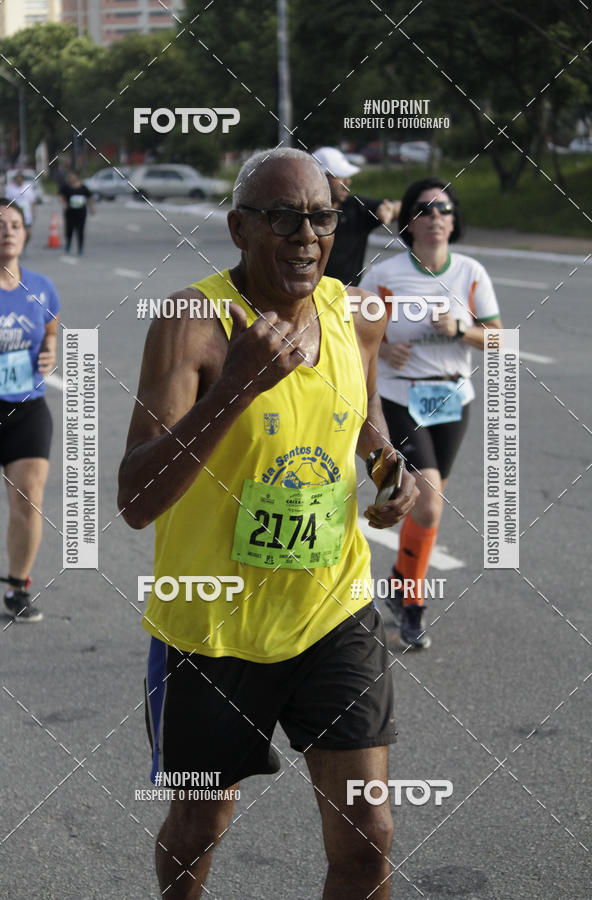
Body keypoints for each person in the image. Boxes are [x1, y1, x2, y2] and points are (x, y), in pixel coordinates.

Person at [118, 147, 419, 899]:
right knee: (197, 831)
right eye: (284, 218)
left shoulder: (354, 314)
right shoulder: (193, 322)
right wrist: (238, 387)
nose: (308, 237)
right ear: (238, 228)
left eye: (321, 218)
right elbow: (135, 498)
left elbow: (363, 414)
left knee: (370, 837)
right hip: (211, 630)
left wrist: (388, 473)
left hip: (332, 613)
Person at [360, 177, 502, 649]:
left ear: (454, 219)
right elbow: (351, 335)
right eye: (425, 209)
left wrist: (462, 328)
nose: (436, 216)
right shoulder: (385, 275)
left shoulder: (471, 272)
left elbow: (501, 339)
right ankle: (414, 604)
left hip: (452, 401)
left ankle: (401, 584)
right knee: (430, 502)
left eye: (444, 209)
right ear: (409, 221)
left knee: (429, 503)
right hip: (400, 398)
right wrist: (384, 351)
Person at [0, 197, 60, 622]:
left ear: (26, 232)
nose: (8, 231)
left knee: (29, 499)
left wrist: (50, 348)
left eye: (15, 224)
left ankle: (18, 587)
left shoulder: (42, 286)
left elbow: (50, 326)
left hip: (27, 408)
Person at [312, 146, 400, 286]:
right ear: (319, 178)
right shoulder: (303, 215)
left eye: (348, 177)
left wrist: (391, 209)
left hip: (348, 299)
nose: (348, 182)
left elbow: (398, 206)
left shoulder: (357, 208)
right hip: (309, 298)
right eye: (340, 176)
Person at [59, 171, 94, 255]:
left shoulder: (83, 187)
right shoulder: (66, 187)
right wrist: (64, 204)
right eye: (70, 177)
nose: (71, 179)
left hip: (81, 212)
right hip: (70, 212)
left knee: (80, 230)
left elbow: (90, 197)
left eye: (73, 177)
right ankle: (68, 244)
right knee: (69, 230)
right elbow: (61, 196)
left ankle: (80, 248)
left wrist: (92, 208)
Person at [5, 172, 35, 245]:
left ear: (22, 180)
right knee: (17, 231)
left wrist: (34, 212)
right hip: (15, 215)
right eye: (17, 179)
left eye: (20, 179)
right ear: (15, 180)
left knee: (28, 232)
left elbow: (32, 201)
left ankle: (24, 243)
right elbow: (7, 202)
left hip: (27, 215)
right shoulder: (10, 189)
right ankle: (18, 245)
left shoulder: (28, 187)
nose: (19, 181)